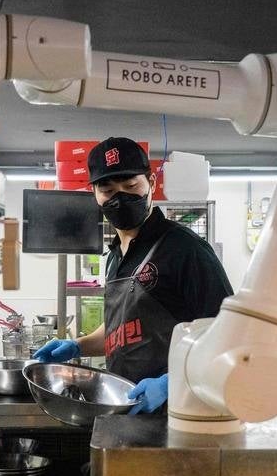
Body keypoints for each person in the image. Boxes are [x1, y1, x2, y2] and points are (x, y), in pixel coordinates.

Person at [34, 137, 233, 414]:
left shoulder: (184, 248)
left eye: (130, 187)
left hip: (180, 410)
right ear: (94, 193)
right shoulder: (115, 255)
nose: (120, 198)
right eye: (108, 190)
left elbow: (227, 334)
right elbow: (120, 330)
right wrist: (76, 347)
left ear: (150, 184)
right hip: (125, 405)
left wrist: (170, 383)